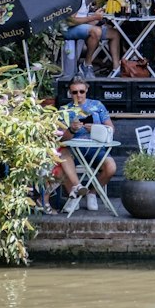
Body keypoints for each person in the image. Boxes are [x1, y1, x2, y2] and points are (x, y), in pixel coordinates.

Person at [51, 78, 116, 215]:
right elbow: (60, 138)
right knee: (62, 159)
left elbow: (111, 129)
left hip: (96, 148)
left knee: (111, 168)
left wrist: (96, 128)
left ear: (86, 90)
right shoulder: (64, 110)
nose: (78, 95)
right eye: (75, 92)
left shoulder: (97, 106)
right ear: (70, 92)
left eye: (81, 91)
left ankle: (91, 193)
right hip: (73, 150)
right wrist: (72, 130)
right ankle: (75, 192)